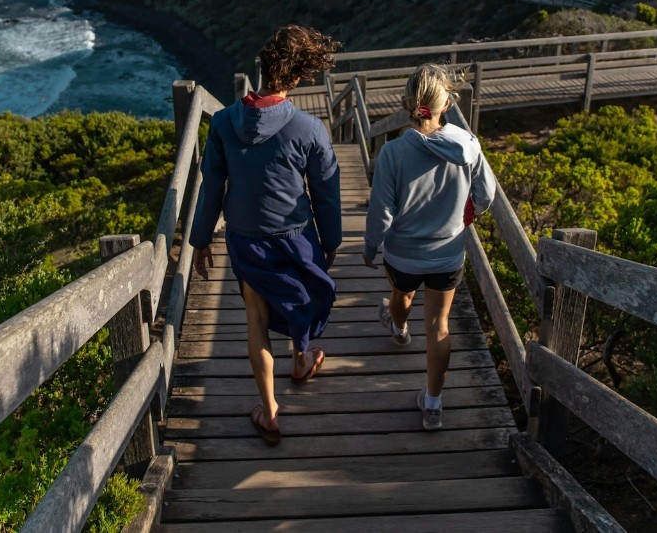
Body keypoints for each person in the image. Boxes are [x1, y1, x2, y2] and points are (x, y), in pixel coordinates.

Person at [189, 24, 342, 447]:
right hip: (296, 235)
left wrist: (200, 238)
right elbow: (326, 191)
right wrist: (331, 241)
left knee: (256, 320)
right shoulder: (310, 129)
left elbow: (212, 186)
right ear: (295, 77)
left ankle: (270, 411)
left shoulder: (222, 122)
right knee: (298, 298)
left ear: (262, 67)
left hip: (245, 237)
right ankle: (301, 361)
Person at [363, 64, 496, 430]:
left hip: (403, 252)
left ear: (407, 103)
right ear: (447, 103)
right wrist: (463, 216)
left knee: (401, 295)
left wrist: (370, 246)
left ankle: (400, 330)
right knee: (439, 325)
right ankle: (433, 403)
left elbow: (382, 211)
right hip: (447, 252)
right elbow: (486, 196)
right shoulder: (468, 146)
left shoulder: (392, 153)